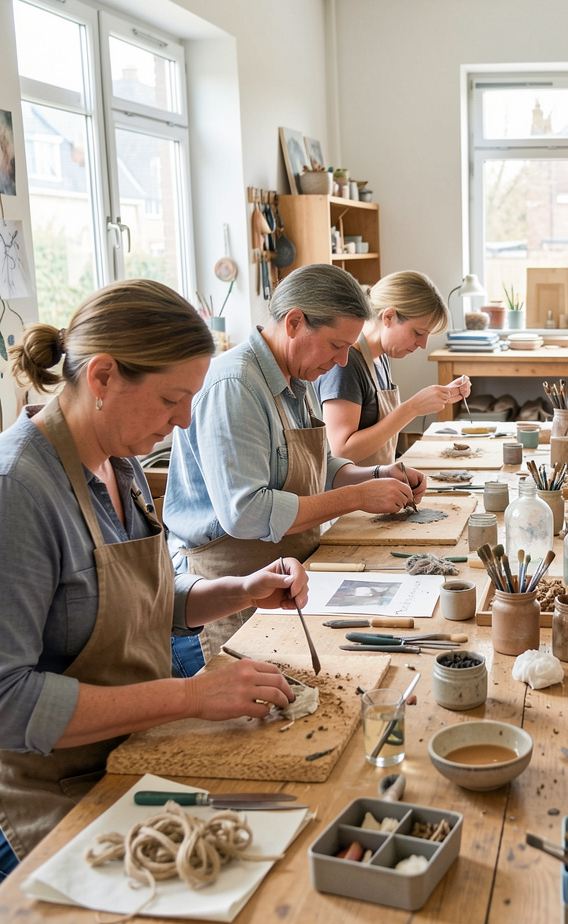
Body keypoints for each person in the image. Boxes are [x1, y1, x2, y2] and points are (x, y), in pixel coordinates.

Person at [0, 280, 308, 879]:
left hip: (134, 751)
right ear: (103, 377)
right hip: (54, 793)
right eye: (173, 399)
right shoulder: (19, 491)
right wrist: (191, 696)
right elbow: (7, 701)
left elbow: (144, 602)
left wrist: (240, 589)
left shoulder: (121, 462)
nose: (186, 420)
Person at [162, 265, 426, 668]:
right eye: (336, 345)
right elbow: (247, 512)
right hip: (227, 593)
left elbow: (317, 463)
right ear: (295, 322)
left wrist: (375, 475)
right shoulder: (235, 385)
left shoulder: (294, 377)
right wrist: (355, 497)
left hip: (288, 577)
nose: (341, 362)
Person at [315, 270, 471, 466]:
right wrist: (412, 408)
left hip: (376, 485)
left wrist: (443, 395)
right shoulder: (346, 364)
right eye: (418, 333)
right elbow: (341, 451)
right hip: (349, 493)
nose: (423, 344)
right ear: (388, 317)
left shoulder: (380, 358)